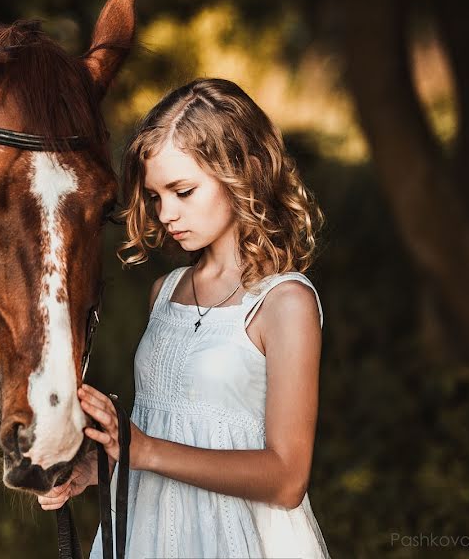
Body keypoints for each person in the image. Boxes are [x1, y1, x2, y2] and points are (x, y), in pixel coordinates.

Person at [36, 78, 331, 558]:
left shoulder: (284, 302)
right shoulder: (166, 291)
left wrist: (146, 449)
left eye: (183, 190)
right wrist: (98, 464)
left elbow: (287, 479)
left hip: (235, 540)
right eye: (155, 196)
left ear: (243, 172)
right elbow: (169, 433)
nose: (166, 213)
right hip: (147, 535)